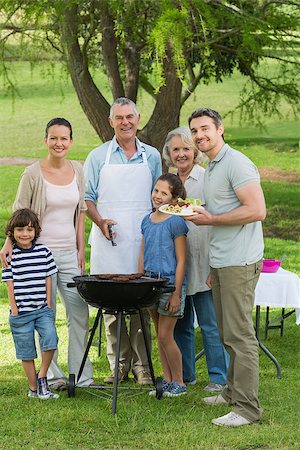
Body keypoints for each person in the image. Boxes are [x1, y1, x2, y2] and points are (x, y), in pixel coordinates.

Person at [186, 108, 266, 427]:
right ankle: (232, 392)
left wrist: (212, 219)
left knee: (239, 335)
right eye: (194, 130)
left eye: (205, 128)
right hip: (221, 261)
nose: (199, 135)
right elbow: (221, 208)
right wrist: (202, 212)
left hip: (239, 261)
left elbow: (257, 209)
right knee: (226, 333)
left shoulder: (236, 162)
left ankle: (247, 409)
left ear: (220, 129)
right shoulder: (212, 166)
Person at [0, 118, 94, 389]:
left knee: (79, 312)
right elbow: (19, 213)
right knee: (45, 315)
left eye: (64, 138)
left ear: (71, 141)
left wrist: (80, 250)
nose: (58, 143)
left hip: (68, 253)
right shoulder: (32, 173)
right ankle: (51, 376)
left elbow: (81, 214)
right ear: (45, 140)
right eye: (53, 138)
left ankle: (81, 375)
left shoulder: (78, 170)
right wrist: (9, 243)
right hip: (38, 255)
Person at [84, 97, 162, 385]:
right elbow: (88, 198)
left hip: (142, 240)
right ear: (111, 122)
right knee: (111, 303)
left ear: (138, 119)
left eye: (130, 117)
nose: (125, 122)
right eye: (119, 118)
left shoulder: (152, 156)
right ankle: (118, 364)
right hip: (109, 238)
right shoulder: (97, 156)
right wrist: (100, 221)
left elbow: (159, 197)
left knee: (141, 302)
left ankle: (142, 366)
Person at [162, 127, 229, 391]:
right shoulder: (166, 183)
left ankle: (218, 378)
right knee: (181, 325)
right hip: (177, 266)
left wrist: (216, 265)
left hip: (204, 261)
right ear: (169, 153)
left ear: (195, 152)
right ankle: (185, 376)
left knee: (211, 325)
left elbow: (216, 220)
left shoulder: (206, 178)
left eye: (186, 149)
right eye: (175, 149)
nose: (181, 154)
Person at [139, 173, 188, 397]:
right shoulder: (146, 220)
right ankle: (167, 381)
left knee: (166, 335)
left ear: (174, 198)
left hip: (169, 284)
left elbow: (182, 260)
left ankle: (179, 381)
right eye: (156, 191)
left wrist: (176, 292)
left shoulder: (176, 222)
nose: (157, 196)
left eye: (164, 193)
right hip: (150, 283)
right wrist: (140, 280)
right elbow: (143, 253)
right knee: (159, 334)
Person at [1, 208, 59, 399]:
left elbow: (48, 277)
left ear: (36, 231)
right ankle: (34, 388)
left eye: (29, 229)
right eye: (20, 230)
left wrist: (49, 304)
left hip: (42, 310)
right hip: (21, 313)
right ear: (12, 232)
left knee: (50, 339)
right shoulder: (10, 255)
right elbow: (9, 282)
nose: (25, 234)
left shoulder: (44, 251)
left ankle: (42, 377)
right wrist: (15, 309)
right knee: (26, 351)